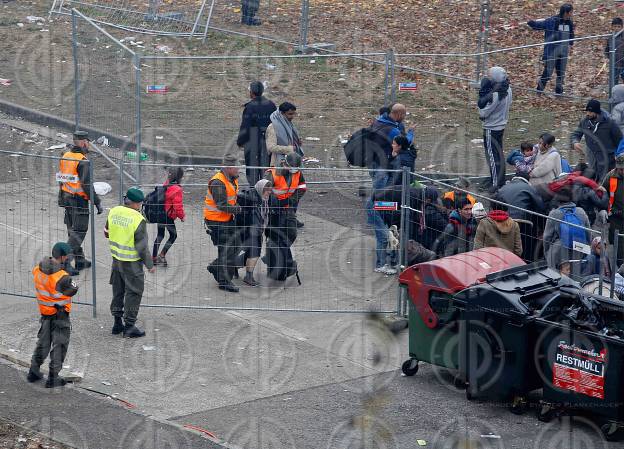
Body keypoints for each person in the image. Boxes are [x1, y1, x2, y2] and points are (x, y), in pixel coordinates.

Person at [27, 242, 78, 388]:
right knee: (60, 345)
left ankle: (34, 371)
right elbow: (73, 289)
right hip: (60, 315)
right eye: (67, 256)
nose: (68, 259)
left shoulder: (38, 269)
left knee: (43, 343)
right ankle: (53, 377)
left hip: (45, 313)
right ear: (62, 257)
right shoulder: (62, 277)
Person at [105, 188, 154, 338]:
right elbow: (141, 247)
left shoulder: (114, 211)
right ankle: (129, 326)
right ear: (137, 203)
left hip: (116, 259)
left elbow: (106, 232)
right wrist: (150, 265)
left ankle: (117, 323)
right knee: (134, 292)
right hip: (132, 263)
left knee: (118, 291)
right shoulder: (138, 219)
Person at [57, 131, 103, 275]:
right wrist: (97, 202)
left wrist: (61, 197)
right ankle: (64, 262)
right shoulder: (82, 161)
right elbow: (87, 185)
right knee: (79, 233)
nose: (88, 145)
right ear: (83, 142)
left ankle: (80, 260)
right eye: (87, 142)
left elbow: (61, 178)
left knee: (72, 230)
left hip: (66, 197)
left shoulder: (66, 156)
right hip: (78, 201)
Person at [263, 153, 307, 281]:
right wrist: (275, 202)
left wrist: (291, 201)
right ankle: (274, 261)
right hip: (273, 210)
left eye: (296, 168)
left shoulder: (297, 173)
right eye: (292, 167)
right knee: (275, 236)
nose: (294, 170)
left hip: (288, 208)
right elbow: (264, 190)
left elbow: (302, 188)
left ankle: (275, 256)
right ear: (284, 163)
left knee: (291, 233)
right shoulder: (272, 173)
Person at [205, 155, 243, 293]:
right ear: (228, 168)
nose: (238, 168)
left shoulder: (231, 179)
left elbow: (231, 199)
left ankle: (216, 267)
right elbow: (221, 205)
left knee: (236, 245)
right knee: (226, 250)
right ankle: (224, 281)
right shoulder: (217, 182)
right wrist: (238, 209)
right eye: (236, 166)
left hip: (226, 219)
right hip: (217, 221)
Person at [478, 66, 513, 192]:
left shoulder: (495, 94)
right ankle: (499, 179)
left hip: (491, 128)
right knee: (499, 155)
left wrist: (482, 96)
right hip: (501, 125)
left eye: (490, 76)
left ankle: (495, 184)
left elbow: (483, 113)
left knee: (492, 157)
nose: (488, 78)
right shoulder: (508, 88)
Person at [543, 186, 591, 277]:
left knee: (557, 276)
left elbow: (547, 237)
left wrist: (547, 253)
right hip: (579, 248)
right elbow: (588, 232)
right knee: (576, 276)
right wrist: (586, 248)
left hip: (560, 249)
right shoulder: (581, 211)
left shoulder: (554, 213)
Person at [497, 172, 546, 261]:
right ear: (527, 180)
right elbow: (540, 208)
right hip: (522, 222)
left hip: (503, 221)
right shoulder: (529, 188)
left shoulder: (503, 188)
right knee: (527, 246)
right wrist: (543, 228)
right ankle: (528, 265)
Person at [571, 99, 623, 182]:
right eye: (587, 111)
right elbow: (576, 134)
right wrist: (575, 142)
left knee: (606, 184)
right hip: (592, 160)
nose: (588, 114)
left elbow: (620, 140)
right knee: (593, 183)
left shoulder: (610, 123)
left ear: (597, 112)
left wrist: (618, 155)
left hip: (608, 161)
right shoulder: (585, 121)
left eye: (590, 112)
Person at [528, 3, 575, 95]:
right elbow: (538, 25)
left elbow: (571, 37)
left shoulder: (570, 23)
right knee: (547, 74)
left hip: (563, 53)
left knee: (561, 74)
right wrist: (531, 22)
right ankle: (539, 92)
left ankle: (559, 92)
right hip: (552, 52)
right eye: (571, 12)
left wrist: (571, 41)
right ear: (566, 12)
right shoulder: (552, 21)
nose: (572, 14)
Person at [237, 81, 277, 185]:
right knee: (265, 169)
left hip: (252, 142)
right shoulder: (271, 105)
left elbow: (246, 126)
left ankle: (255, 194)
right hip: (268, 142)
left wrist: (241, 141)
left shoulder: (250, 107)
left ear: (251, 92)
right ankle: (265, 194)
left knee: (253, 169)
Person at [235, 179, 272, 286]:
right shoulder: (256, 201)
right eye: (267, 191)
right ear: (261, 190)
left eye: (270, 190)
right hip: (252, 232)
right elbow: (257, 218)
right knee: (254, 254)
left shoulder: (257, 198)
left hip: (246, 230)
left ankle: (233, 268)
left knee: (248, 252)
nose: (269, 193)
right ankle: (248, 276)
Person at [369, 104, 415, 189]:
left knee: (378, 191)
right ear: (399, 114)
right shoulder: (393, 130)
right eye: (404, 114)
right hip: (382, 165)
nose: (404, 117)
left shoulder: (377, 122)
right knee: (380, 195)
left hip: (372, 161)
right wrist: (411, 132)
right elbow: (406, 142)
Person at [152, 167, 185, 267]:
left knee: (160, 235)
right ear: (180, 176)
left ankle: (154, 258)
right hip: (167, 216)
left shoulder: (167, 183)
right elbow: (177, 206)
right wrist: (182, 216)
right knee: (173, 235)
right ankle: (162, 255)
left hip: (160, 213)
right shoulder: (177, 189)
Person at [602, 155, 624, 267]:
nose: (622, 171)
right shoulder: (610, 177)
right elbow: (602, 194)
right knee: (619, 249)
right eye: (620, 168)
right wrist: (603, 209)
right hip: (616, 219)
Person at [266, 102, 303, 167]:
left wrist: (297, 142)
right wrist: (289, 149)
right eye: (290, 114)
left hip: (292, 163)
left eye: (293, 114)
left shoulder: (289, 125)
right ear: (281, 114)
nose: (292, 116)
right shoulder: (273, 127)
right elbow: (271, 147)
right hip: (279, 164)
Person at [418, 186, 448, 251]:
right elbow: (445, 224)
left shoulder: (428, 209)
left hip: (430, 238)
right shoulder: (430, 210)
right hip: (431, 239)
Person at [605, 18, 624, 85]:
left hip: (623, 63)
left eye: (619, 27)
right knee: (613, 81)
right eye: (615, 26)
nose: (617, 28)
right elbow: (607, 49)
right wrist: (607, 57)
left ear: (622, 27)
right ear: (612, 27)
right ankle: (613, 94)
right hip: (614, 64)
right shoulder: (610, 37)